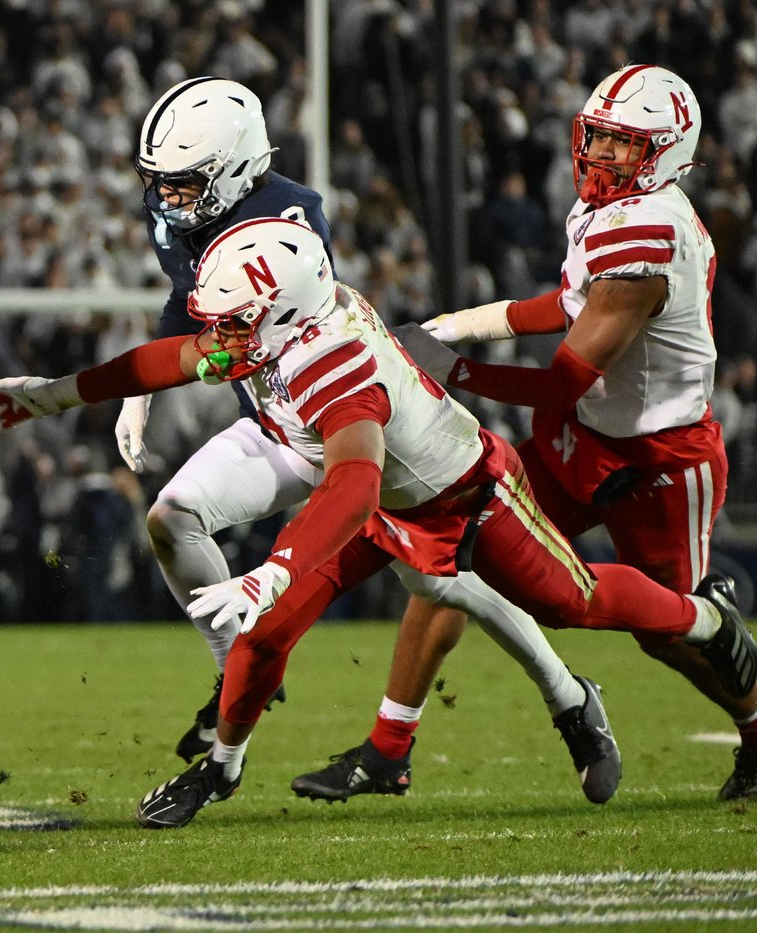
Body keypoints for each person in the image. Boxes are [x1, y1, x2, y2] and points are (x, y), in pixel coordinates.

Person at [0, 216, 757, 829]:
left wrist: (272, 568)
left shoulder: (331, 361)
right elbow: (167, 360)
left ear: (285, 315)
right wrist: (49, 395)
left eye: (238, 324)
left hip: (464, 494)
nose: (222, 338)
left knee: (568, 601)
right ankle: (222, 767)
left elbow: (350, 483)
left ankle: (704, 617)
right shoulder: (281, 323)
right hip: (383, 503)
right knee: (265, 631)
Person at [106, 77, 621, 804]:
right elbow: (184, 304)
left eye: (184, 184)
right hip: (279, 420)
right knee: (173, 517)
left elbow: (272, 335)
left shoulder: (287, 221)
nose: (168, 200)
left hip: (349, 421)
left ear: (234, 168)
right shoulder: (186, 218)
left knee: (443, 581)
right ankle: (234, 681)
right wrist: (141, 387)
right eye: (161, 182)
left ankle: (570, 696)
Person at [362, 64, 757, 803]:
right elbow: (567, 305)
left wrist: (456, 371)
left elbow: (560, 380)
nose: (601, 155)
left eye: (622, 144)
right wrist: (458, 326)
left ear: (666, 152)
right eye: (598, 137)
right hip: (588, 433)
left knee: (669, 630)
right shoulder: (610, 214)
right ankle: (389, 745)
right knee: (458, 541)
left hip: (661, 454)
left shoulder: (649, 236)